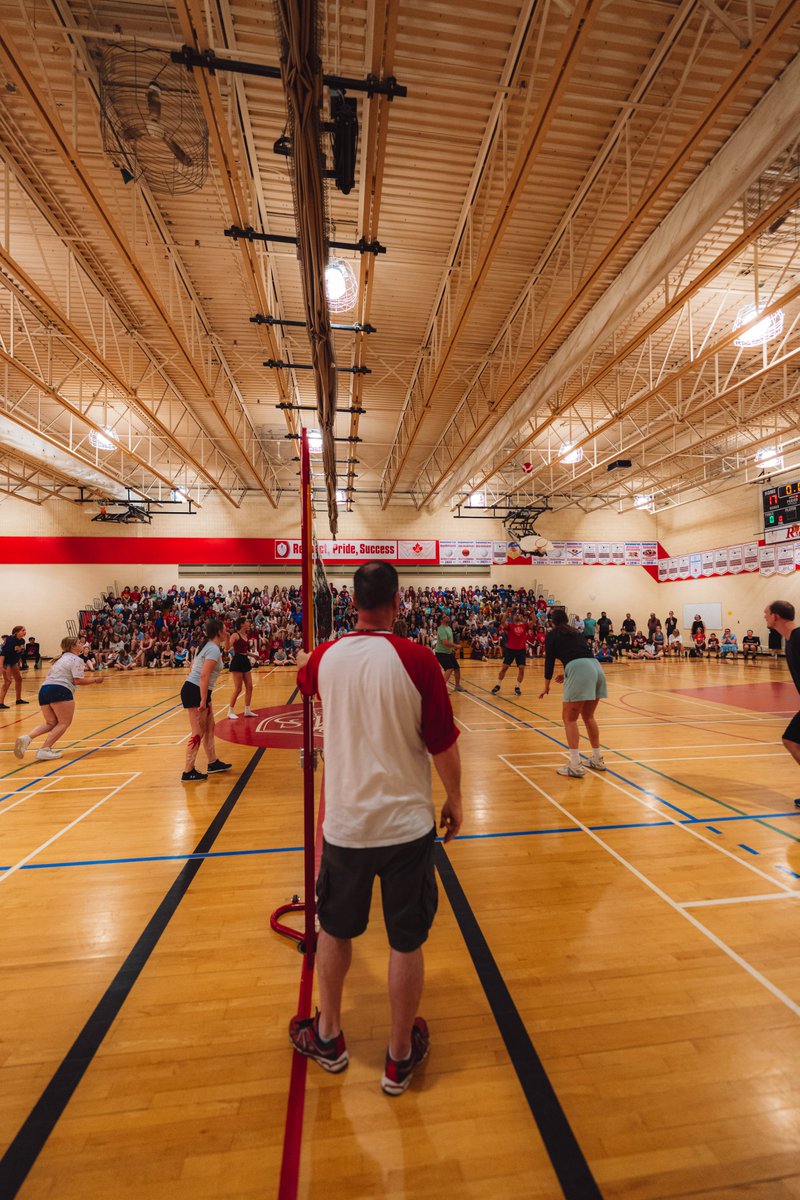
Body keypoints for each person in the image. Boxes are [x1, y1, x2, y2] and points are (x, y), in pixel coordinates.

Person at [290, 561, 462, 1095]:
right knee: (405, 942)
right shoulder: (419, 660)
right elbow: (442, 742)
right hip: (407, 827)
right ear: (398, 600)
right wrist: (457, 799)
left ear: (352, 600)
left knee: (336, 932)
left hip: (345, 826)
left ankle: (330, 1035)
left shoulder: (324, 660)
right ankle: (399, 1055)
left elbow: (305, 675)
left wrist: (308, 659)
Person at [539, 607, 607, 778]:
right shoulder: (576, 632)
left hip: (579, 669)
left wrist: (546, 685)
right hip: (595, 667)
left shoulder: (552, 634)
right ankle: (597, 759)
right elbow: (580, 654)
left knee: (569, 719)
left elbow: (549, 662)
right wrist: (568, 672)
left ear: (552, 622)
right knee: (588, 716)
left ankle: (575, 765)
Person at [14, 637, 103, 762]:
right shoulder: (76, 659)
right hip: (60, 690)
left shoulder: (60, 659)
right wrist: (95, 680)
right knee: (63, 723)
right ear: (73, 647)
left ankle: (27, 738)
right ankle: (44, 750)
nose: (82, 644)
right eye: (79, 643)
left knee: (51, 723)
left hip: (44, 690)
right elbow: (77, 681)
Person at [180, 618, 232, 782]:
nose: (227, 631)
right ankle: (188, 772)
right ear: (218, 632)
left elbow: (195, 667)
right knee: (198, 732)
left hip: (200, 690)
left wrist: (228, 639)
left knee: (210, 727)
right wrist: (203, 699)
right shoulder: (212, 649)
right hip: (195, 691)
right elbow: (204, 675)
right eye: (225, 630)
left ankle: (213, 762)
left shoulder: (208, 646)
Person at [764, 602, 800, 810]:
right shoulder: (791, 640)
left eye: (766, 614)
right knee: (791, 740)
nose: (765, 617)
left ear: (776, 617)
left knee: (791, 741)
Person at [491, 608, 532, 697]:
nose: (517, 615)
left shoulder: (525, 625)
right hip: (511, 649)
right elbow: (502, 622)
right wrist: (507, 612)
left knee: (521, 669)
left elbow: (534, 621)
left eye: (519, 615)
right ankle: (498, 685)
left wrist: (531, 613)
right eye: (515, 615)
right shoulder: (510, 626)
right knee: (504, 668)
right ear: (512, 618)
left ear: (521, 617)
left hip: (521, 650)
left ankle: (517, 687)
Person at [227, 617, 257, 720]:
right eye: (247, 622)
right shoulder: (235, 635)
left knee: (250, 687)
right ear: (241, 624)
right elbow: (227, 647)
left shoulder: (245, 635)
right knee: (238, 688)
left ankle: (247, 710)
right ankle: (230, 711)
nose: (249, 623)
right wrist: (227, 642)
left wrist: (253, 655)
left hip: (245, 660)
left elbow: (244, 651)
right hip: (237, 661)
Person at [0, 625, 28, 708]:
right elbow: (3, 653)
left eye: (25, 630)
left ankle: (18, 699)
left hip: (13, 662)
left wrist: (19, 664)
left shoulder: (22, 640)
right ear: (17, 632)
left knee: (19, 679)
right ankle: (0, 703)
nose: (24, 632)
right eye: (23, 630)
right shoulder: (10, 640)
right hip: (6, 662)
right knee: (8, 681)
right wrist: (1, 666)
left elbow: (19, 653)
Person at [434, 617, 463, 692]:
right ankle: (441, 688)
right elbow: (445, 642)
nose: (447, 617)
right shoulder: (441, 629)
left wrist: (452, 648)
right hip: (441, 653)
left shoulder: (449, 628)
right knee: (449, 668)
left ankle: (457, 686)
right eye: (444, 617)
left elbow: (450, 640)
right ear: (441, 620)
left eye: (447, 616)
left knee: (457, 668)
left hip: (449, 652)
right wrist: (456, 646)